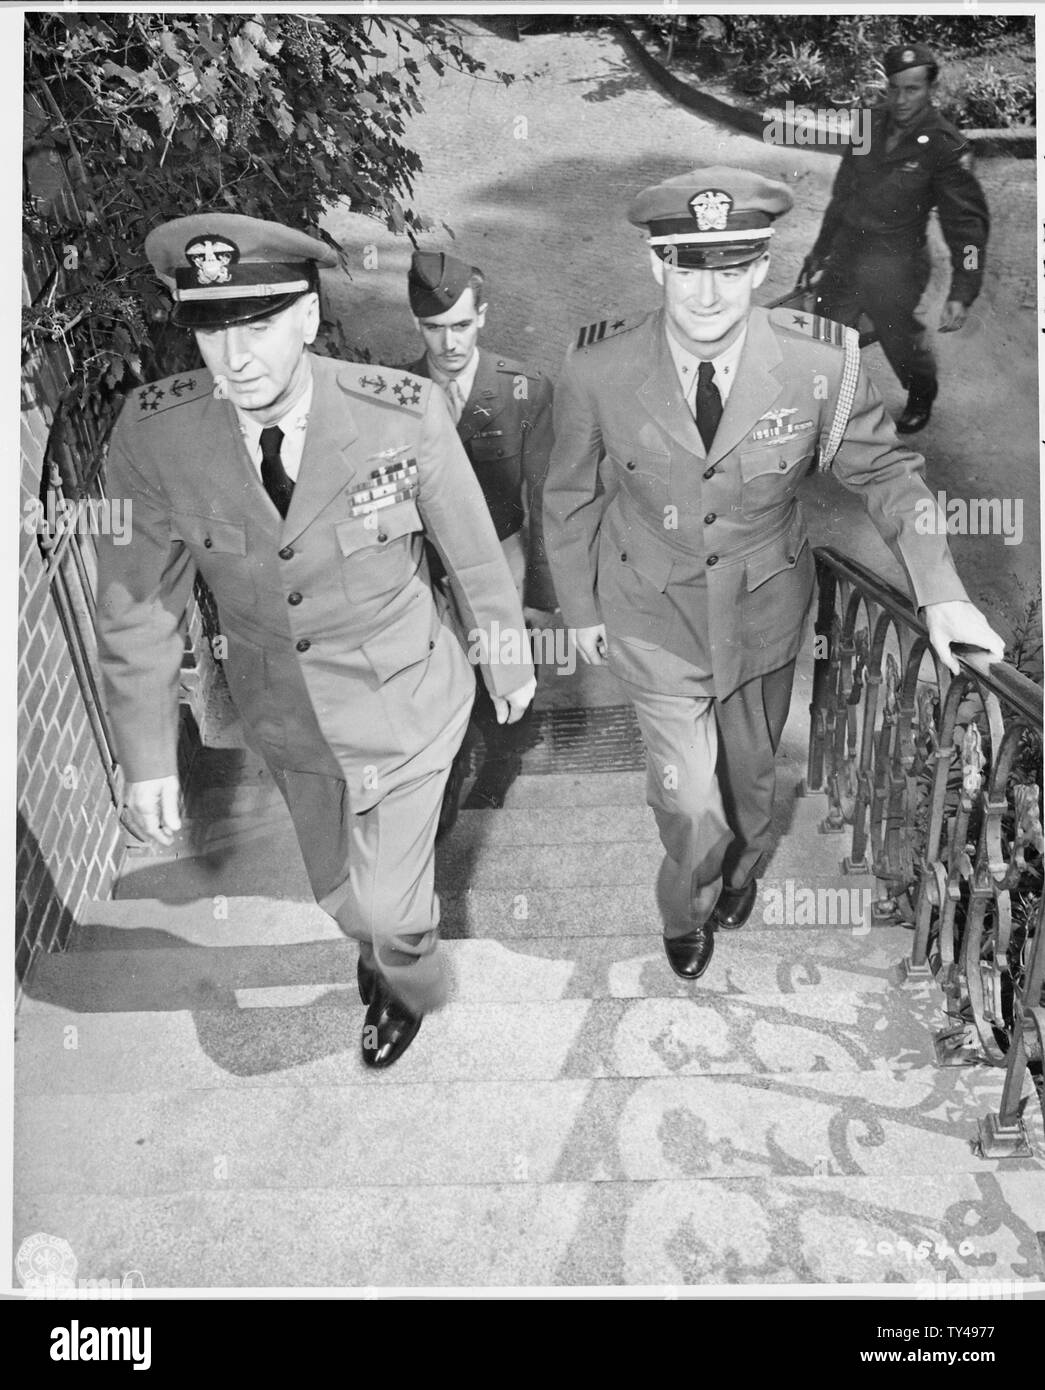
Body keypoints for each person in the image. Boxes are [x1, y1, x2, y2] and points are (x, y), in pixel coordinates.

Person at [542, 166, 1004, 982]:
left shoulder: (819, 364)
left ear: (760, 268)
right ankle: (684, 911)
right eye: (689, 267)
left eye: (731, 269)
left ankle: (744, 872)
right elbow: (569, 495)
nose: (709, 294)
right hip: (650, 611)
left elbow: (889, 476)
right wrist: (580, 611)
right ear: (656, 265)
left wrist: (943, 592)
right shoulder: (597, 369)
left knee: (752, 791)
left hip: (762, 610)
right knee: (689, 801)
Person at [95, 214, 535, 1068]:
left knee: (391, 907)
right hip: (287, 717)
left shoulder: (396, 413)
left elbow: (470, 546)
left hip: (407, 696)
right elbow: (137, 606)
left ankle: (405, 979)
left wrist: (504, 655)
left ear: (306, 316)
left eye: (258, 326)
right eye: (213, 332)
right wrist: (147, 755)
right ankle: (376, 946)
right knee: (339, 895)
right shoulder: (156, 436)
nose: (236, 358)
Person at [404, 250, 557, 829]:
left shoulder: (525, 391)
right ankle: (449, 770)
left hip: (504, 558)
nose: (449, 344)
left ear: (484, 316)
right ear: (416, 325)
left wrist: (541, 594)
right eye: (435, 329)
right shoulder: (395, 391)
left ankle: (501, 762)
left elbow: (542, 498)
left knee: (508, 676)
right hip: (427, 571)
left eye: (462, 325)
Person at [803, 41, 990, 435]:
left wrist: (964, 289)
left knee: (900, 339)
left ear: (931, 89)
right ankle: (828, 414)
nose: (901, 100)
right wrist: (820, 251)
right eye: (894, 89)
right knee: (826, 335)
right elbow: (843, 194)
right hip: (849, 253)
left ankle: (921, 391)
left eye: (913, 89)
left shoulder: (945, 145)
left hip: (898, 263)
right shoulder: (869, 124)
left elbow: (968, 226)